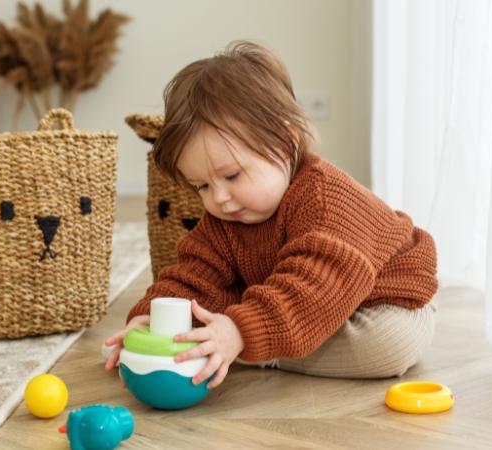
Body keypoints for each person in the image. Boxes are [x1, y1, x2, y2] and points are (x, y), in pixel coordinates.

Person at [104, 40, 438, 389]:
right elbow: (193, 277)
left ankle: (254, 348)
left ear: (284, 140)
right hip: (302, 307)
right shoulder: (224, 218)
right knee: (222, 314)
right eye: (201, 186)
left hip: (387, 305)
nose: (218, 197)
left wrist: (240, 332)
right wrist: (153, 317)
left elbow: (316, 287)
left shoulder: (324, 199)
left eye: (232, 175)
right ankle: (251, 340)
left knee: (386, 346)